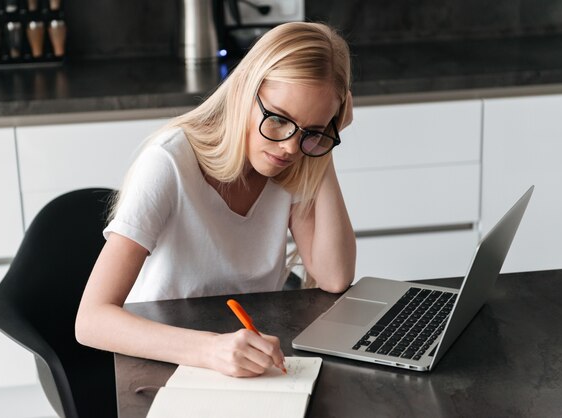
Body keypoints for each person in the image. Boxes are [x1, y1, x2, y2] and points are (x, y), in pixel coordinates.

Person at [75, 21, 356, 378]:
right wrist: (211, 350)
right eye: (279, 119)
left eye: (312, 130)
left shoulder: (294, 160)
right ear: (244, 91)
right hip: (164, 361)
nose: (288, 146)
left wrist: (322, 147)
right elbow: (90, 321)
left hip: (250, 354)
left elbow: (334, 277)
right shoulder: (170, 162)